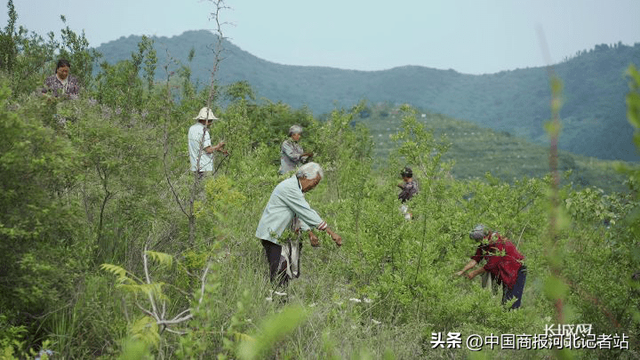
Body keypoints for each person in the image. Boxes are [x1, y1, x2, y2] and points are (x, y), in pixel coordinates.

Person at [256, 162, 342, 288]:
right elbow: (305, 211)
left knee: (284, 272)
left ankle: (280, 302)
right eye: (315, 182)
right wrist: (330, 232)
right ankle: (278, 302)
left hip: (278, 235)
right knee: (279, 273)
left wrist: (310, 232)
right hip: (273, 234)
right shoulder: (290, 188)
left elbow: (298, 213)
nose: (314, 186)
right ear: (305, 177)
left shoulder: (296, 188)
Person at [456, 224, 527, 310]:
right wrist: (462, 271)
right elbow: (476, 259)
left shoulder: (498, 242)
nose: (480, 241)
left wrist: (473, 273)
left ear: (487, 235)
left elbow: (492, 265)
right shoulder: (484, 245)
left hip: (517, 270)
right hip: (507, 274)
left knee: (512, 302)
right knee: (506, 301)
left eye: (480, 239)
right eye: (477, 240)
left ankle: (514, 319)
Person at [188, 107, 227, 176]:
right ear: (204, 120)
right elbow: (208, 150)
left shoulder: (191, 129)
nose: (211, 123)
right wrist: (218, 146)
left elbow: (199, 147)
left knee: (197, 185)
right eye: (210, 120)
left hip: (195, 166)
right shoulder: (203, 131)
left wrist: (220, 150)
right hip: (204, 167)